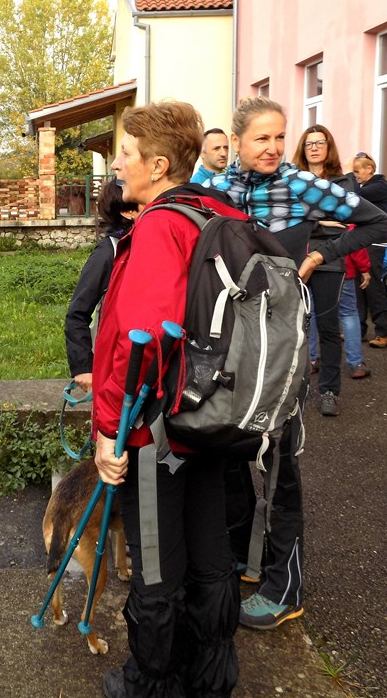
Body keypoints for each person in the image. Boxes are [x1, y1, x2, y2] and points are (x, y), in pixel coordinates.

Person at [207, 97, 387, 631]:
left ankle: (285, 589)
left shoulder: (302, 185)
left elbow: (376, 222)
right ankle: (247, 559)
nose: (271, 147)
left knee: (280, 460)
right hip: (232, 341)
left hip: (282, 342)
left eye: (278, 137)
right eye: (260, 138)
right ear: (237, 142)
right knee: (233, 447)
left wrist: (320, 255)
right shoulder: (220, 191)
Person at [94, 101, 243, 698]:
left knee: (156, 560)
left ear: (157, 165)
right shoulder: (220, 211)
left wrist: (111, 427)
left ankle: (152, 684)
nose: (118, 164)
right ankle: (211, 676)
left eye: (125, 154)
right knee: (210, 546)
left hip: (156, 421)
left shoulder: (160, 224)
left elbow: (143, 336)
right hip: (213, 412)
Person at [290, 125, 359, 417]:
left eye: (320, 143)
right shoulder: (293, 180)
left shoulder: (344, 182)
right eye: (309, 144)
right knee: (291, 328)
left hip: (329, 262)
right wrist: (321, 221)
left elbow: (346, 221)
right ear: (303, 150)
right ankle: (288, 390)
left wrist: (309, 218)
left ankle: (329, 391)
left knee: (329, 329)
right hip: (295, 258)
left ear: (329, 147)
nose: (315, 148)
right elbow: (288, 217)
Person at [64, 180, 137, 392]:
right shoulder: (108, 253)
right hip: (115, 365)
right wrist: (83, 367)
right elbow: (77, 312)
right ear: (128, 212)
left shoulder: (156, 244)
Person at [308, 243, 371, 379]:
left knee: (311, 313)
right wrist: (364, 269)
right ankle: (356, 364)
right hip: (342, 270)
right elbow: (355, 242)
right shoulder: (344, 221)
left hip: (312, 269)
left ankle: (310, 360)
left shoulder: (311, 221)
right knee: (348, 313)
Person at [351, 153, 387, 347]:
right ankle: (359, 331)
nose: (355, 175)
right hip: (363, 240)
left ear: (369, 168)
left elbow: (353, 196)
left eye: (357, 170)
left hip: (374, 243)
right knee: (360, 286)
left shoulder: (379, 186)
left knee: (374, 286)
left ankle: (383, 333)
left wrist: (346, 180)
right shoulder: (367, 187)